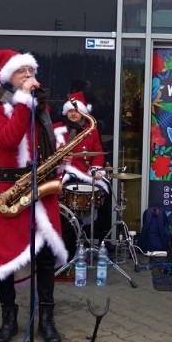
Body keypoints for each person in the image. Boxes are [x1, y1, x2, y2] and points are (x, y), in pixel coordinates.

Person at [0, 49, 68, 342]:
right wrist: (23, 104)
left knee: (43, 257)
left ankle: (46, 319)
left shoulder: (38, 109)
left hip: (41, 189)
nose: (30, 76)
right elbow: (7, 139)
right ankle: (8, 318)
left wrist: (59, 164)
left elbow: (44, 145)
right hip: (9, 191)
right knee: (5, 257)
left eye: (32, 71)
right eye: (22, 72)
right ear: (7, 77)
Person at [53, 91, 110, 254]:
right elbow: (45, 152)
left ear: (83, 112)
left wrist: (96, 169)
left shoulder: (91, 130)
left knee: (105, 196)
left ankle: (103, 242)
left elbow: (98, 152)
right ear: (66, 112)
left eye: (76, 111)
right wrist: (58, 160)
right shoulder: (56, 129)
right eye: (70, 111)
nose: (73, 114)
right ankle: (66, 246)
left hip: (85, 174)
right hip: (62, 175)